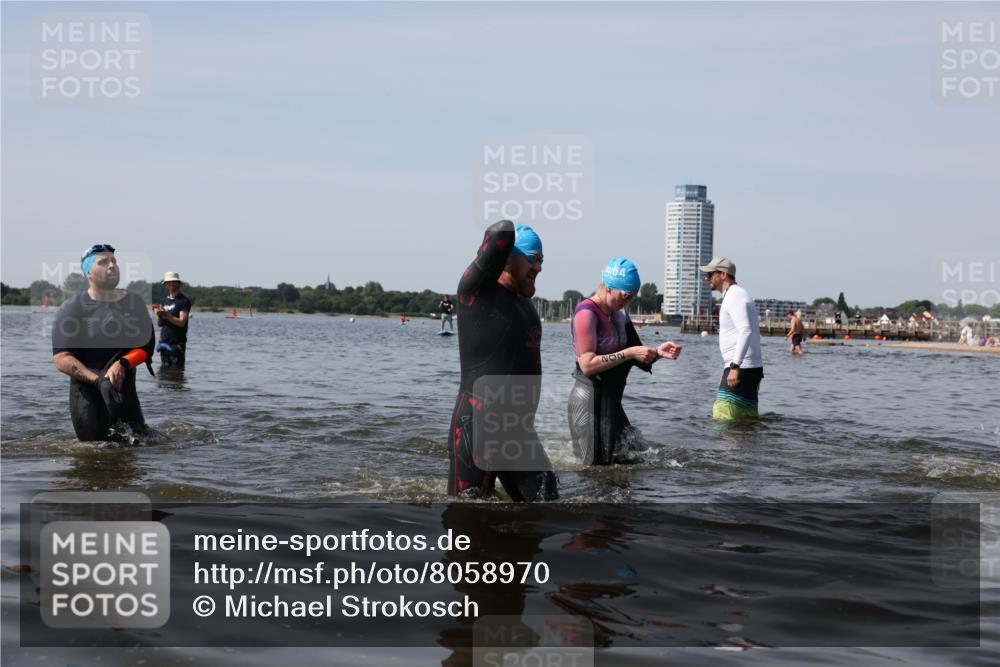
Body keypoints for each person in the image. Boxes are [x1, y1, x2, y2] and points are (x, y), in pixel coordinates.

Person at [448, 220, 558, 501]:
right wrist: (507, 247)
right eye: (533, 258)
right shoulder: (477, 293)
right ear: (507, 258)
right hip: (479, 428)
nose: (539, 267)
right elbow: (501, 231)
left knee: (547, 507)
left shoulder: (525, 305)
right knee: (471, 520)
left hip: (518, 433)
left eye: (542, 260)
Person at [567, 258, 681, 464]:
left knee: (640, 457)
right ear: (609, 288)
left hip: (612, 403)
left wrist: (657, 352)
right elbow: (587, 365)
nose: (626, 302)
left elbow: (636, 352)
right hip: (588, 401)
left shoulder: (620, 314)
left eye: (632, 298)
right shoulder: (586, 314)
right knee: (594, 472)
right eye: (624, 296)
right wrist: (629, 353)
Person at [51, 244, 155, 441]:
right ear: (88, 272)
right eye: (103, 262)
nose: (112, 266)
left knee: (139, 454)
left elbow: (146, 348)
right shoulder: (72, 308)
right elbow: (61, 358)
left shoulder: (134, 303)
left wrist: (123, 363)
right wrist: (99, 381)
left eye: (114, 261)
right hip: (87, 399)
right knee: (93, 459)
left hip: (126, 395)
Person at [699, 257, 764, 420]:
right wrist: (729, 367)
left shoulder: (735, 295)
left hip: (742, 368)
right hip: (746, 368)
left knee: (722, 418)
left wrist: (734, 367)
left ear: (723, 275)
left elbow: (746, 330)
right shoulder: (737, 294)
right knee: (745, 422)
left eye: (710, 274)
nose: (707, 278)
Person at [152, 271, 192, 369]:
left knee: (177, 376)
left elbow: (182, 322)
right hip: (164, 343)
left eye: (174, 281)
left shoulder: (184, 301)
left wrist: (166, 314)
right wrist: (159, 314)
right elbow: (160, 324)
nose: (171, 284)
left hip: (177, 345)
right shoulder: (164, 300)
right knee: (163, 376)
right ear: (166, 285)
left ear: (178, 283)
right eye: (169, 282)